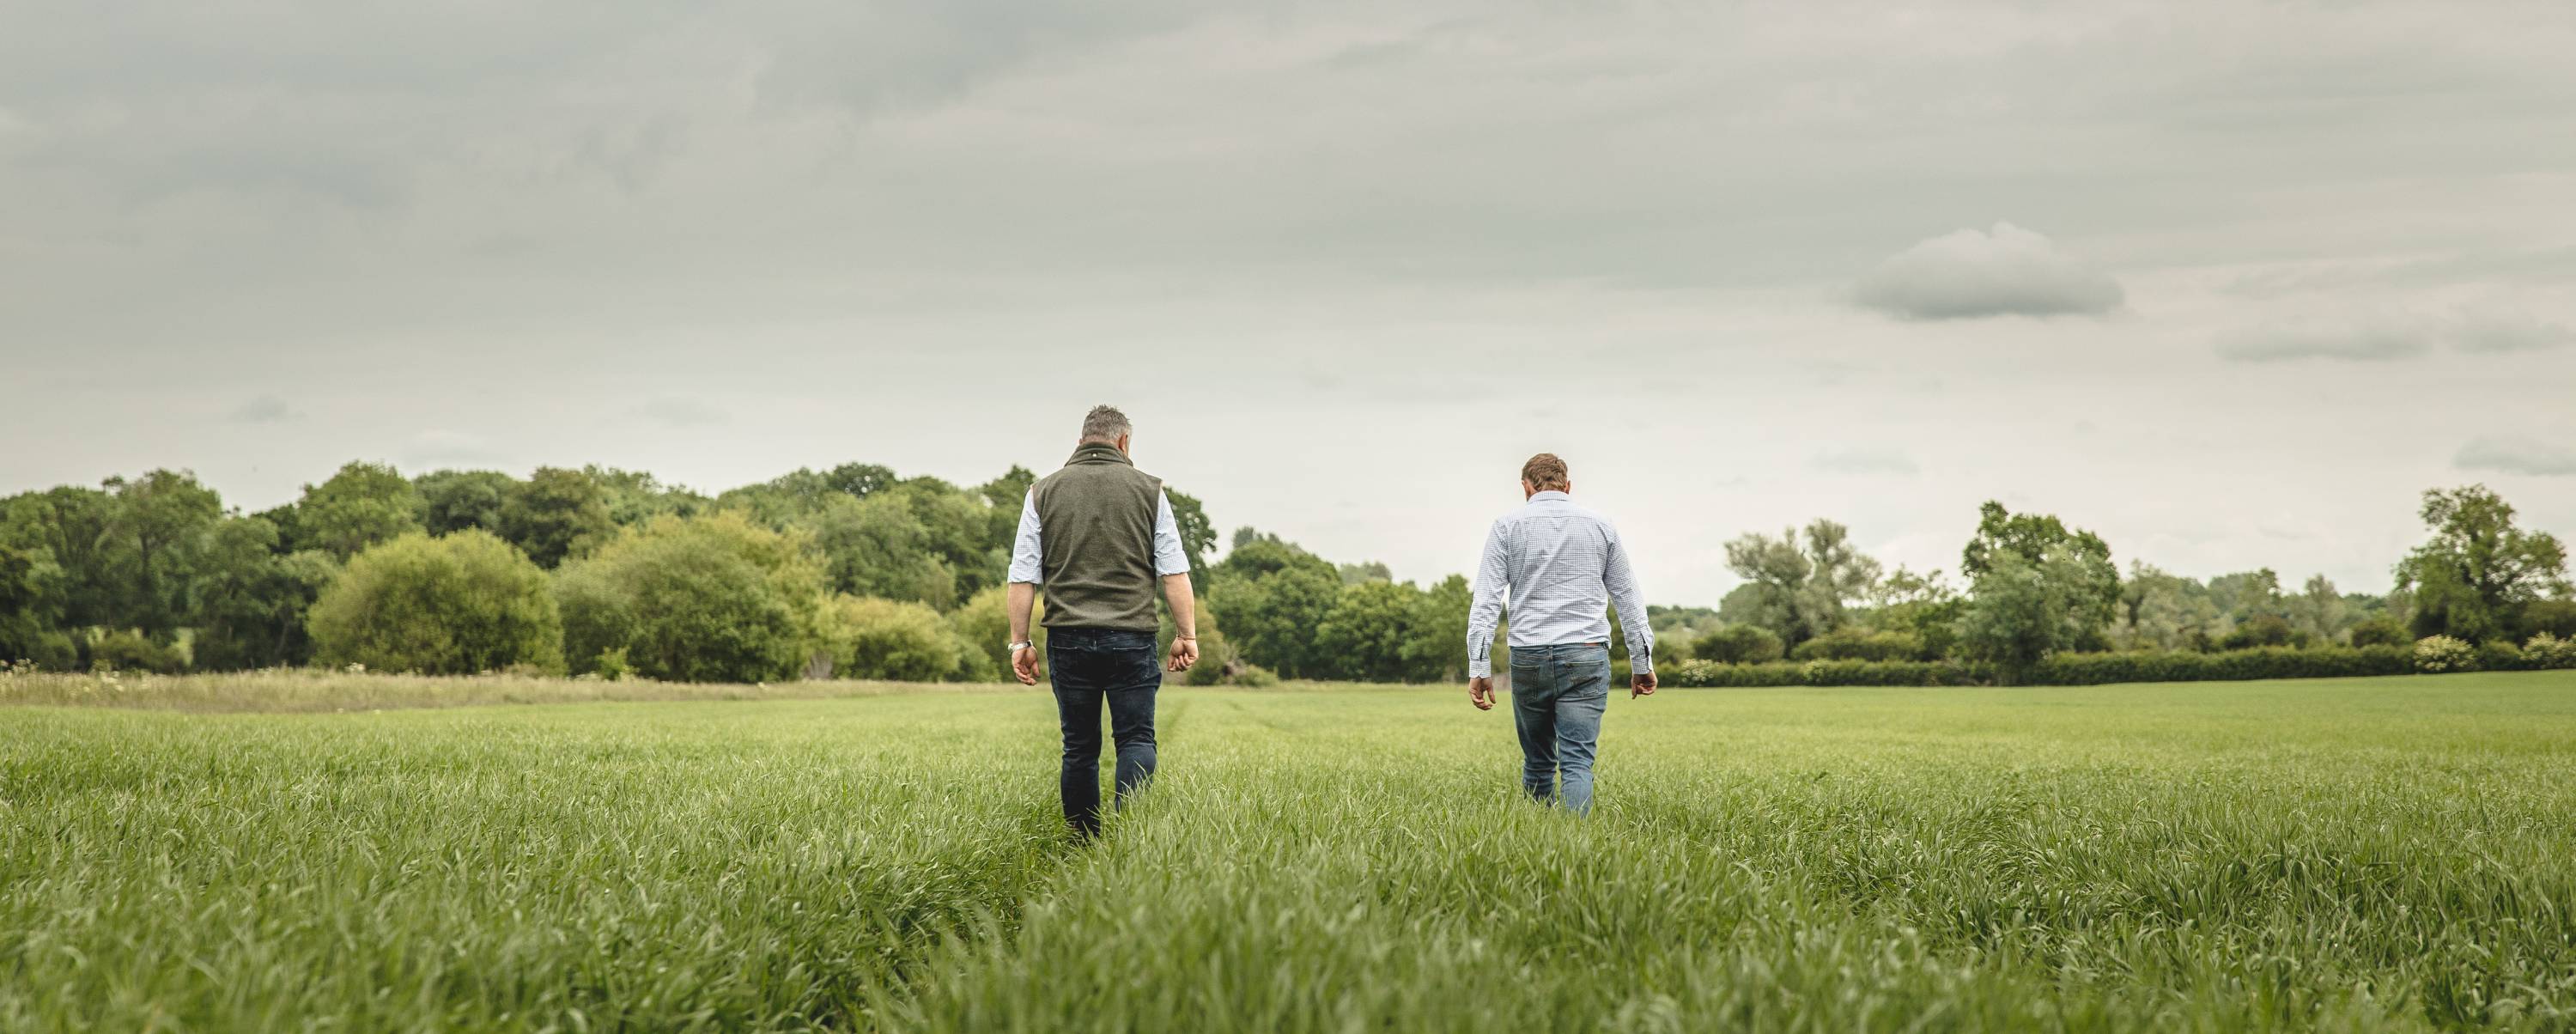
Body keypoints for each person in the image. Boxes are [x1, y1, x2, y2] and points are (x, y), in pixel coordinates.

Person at [1006, 405, 1199, 839]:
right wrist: (1186, 634)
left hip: (1068, 639)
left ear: (1080, 442)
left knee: (1079, 748)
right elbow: (1173, 571)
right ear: (1124, 443)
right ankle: (1130, 835)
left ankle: (1083, 839)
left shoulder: (1042, 492)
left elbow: (1023, 574)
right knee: (1136, 740)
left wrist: (1020, 643)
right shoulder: (1150, 491)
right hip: (1132, 638)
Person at [1464, 453, 1656, 813]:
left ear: (1526, 487)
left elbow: (1486, 601)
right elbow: (1628, 598)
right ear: (1567, 487)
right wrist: (1641, 662)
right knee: (1577, 763)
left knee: (1537, 762)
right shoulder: (1601, 525)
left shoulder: (1506, 526)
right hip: (1586, 653)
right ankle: (1574, 845)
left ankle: (1540, 843)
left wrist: (1479, 667)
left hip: (1529, 657)